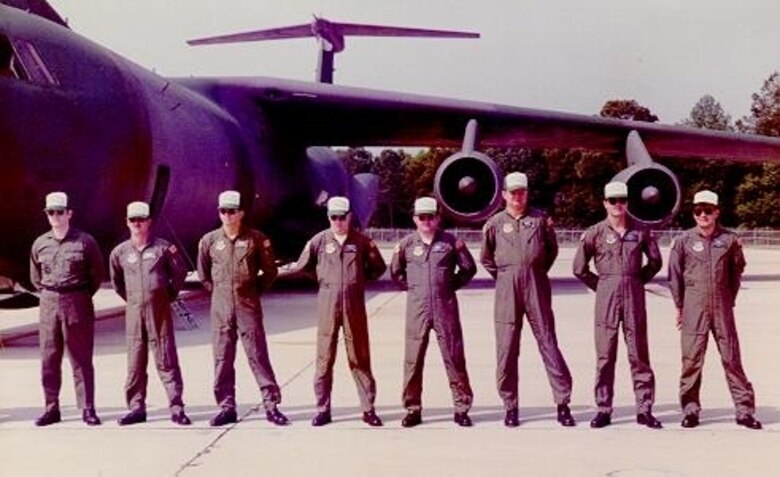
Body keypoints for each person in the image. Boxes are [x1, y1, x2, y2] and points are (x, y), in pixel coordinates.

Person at [481, 172, 575, 428]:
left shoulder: (541, 220)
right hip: (506, 290)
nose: (517, 196)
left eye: (521, 191)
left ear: (527, 193)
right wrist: (505, 276)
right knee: (507, 349)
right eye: (512, 192)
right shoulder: (494, 224)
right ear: (504, 195)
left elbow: (551, 251)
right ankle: (510, 406)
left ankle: (563, 403)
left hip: (536, 286)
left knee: (548, 342)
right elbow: (487, 258)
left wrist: (534, 269)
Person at [668, 190, 761, 430]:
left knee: (732, 358)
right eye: (698, 210)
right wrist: (679, 306)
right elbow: (675, 277)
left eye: (708, 210)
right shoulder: (683, 242)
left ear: (717, 211)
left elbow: (735, 274)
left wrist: (727, 301)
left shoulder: (729, 241)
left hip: (722, 307)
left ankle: (744, 410)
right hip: (693, 308)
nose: (703, 215)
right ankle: (690, 410)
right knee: (691, 361)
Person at [573, 181, 663, 429]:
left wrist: (636, 280)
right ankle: (604, 408)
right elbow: (579, 268)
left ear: (627, 202)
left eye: (622, 200)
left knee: (639, 355)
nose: (618, 205)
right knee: (605, 355)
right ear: (605, 203)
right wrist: (601, 286)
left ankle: (644, 409)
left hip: (634, 296)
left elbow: (655, 262)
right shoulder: (595, 233)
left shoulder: (641, 231)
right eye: (613, 200)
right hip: (607, 298)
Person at [291, 196, 387, 427]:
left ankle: (368, 409)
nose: (338, 222)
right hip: (327, 306)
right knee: (325, 359)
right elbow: (302, 267)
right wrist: (325, 281)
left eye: (342, 217)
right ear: (328, 218)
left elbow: (378, 268)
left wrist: (357, 282)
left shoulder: (362, 242)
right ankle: (323, 409)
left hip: (354, 306)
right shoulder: (319, 241)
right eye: (333, 217)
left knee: (360, 357)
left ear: (349, 217)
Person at [197, 190, 289, 427]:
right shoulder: (209, 241)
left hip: (247, 305)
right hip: (221, 308)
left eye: (231, 211)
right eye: (223, 211)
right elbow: (203, 274)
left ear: (241, 213)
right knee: (222, 358)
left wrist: (251, 292)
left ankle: (271, 405)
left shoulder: (256, 239)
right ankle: (227, 407)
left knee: (257, 354)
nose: (227, 215)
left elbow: (270, 271)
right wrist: (219, 294)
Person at [390, 197, 476, 428]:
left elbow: (469, 268)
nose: (426, 221)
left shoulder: (451, 243)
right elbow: (396, 273)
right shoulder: (406, 244)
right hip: (417, 309)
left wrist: (449, 286)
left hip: (445, 307)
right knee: (413, 360)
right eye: (422, 217)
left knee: (454, 357)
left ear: (438, 218)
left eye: (431, 216)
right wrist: (415, 289)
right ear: (415, 219)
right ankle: (412, 409)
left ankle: (461, 408)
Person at [109, 201, 191, 426]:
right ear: (127, 222)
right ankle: (136, 408)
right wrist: (134, 300)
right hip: (134, 314)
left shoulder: (163, 248)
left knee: (166, 358)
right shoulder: (120, 253)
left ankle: (176, 407)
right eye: (133, 220)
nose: (137, 223)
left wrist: (167, 295)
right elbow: (117, 283)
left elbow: (180, 272)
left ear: (149, 222)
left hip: (159, 312)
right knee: (135, 362)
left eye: (141, 219)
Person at [29, 192, 104, 426]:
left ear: (69, 213)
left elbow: (97, 275)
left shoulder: (84, 241)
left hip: (77, 301)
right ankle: (51, 408)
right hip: (49, 302)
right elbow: (35, 278)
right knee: (49, 358)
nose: (55, 216)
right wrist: (52, 294)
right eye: (50, 212)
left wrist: (78, 295)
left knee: (81, 358)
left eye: (59, 212)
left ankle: (87, 408)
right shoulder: (40, 244)